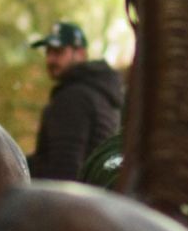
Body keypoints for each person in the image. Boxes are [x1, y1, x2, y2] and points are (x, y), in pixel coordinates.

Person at [26, 21, 123, 181]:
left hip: (68, 202)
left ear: (81, 54)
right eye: (48, 52)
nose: (50, 59)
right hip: (96, 201)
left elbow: (64, 169)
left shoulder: (73, 97)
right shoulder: (102, 94)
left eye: (58, 52)